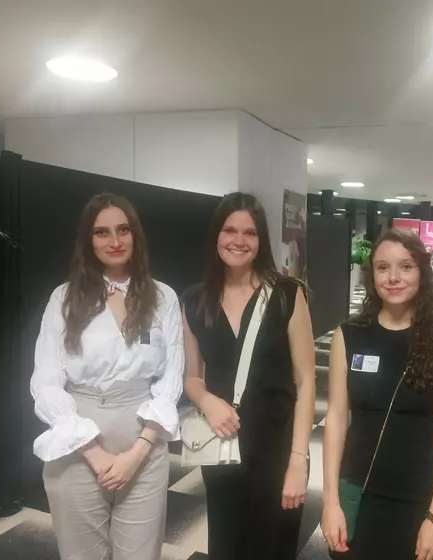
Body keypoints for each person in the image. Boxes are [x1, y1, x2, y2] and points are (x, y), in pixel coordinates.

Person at [30, 193, 184, 560]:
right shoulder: (64, 299)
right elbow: (46, 380)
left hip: (143, 438)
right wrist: (95, 453)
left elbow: (172, 378)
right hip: (77, 439)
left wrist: (139, 450)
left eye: (123, 230)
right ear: (88, 240)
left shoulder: (163, 297)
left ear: (135, 236)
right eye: (102, 232)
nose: (114, 241)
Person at [182, 192, 316, 559]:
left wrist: (298, 461)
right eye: (230, 230)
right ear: (216, 236)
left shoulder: (288, 294)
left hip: (278, 447)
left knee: (272, 546)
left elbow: (306, 382)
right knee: (227, 544)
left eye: (250, 233)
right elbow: (191, 378)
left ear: (261, 241)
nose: (239, 241)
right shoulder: (195, 301)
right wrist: (208, 401)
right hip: (223, 444)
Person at [321, 229, 433, 560]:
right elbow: (335, 419)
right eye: (382, 267)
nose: (393, 277)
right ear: (371, 275)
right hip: (357, 488)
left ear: (423, 273)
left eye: (406, 266)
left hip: (418, 497)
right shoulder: (348, 336)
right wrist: (330, 502)